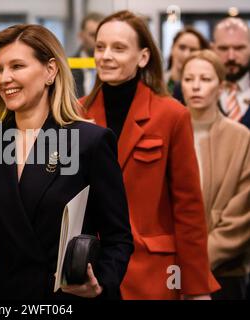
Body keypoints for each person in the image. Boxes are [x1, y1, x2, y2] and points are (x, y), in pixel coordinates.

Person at [0, 24, 134, 300]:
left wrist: (101, 282)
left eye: (17, 66)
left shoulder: (90, 141)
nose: (4, 78)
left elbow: (118, 238)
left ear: (50, 71)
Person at [81, 10, 220, 300]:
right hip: (88, 270)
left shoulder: (172, 115)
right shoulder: (76, 114)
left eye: (118, 48)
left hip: (151, 272)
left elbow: (188, 207)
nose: (105, 56)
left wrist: (195, 288)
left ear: (143, 57)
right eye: (100, 46)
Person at [181, 49, 250, 300]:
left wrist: (197, 260)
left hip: (225, 270)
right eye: (188, 79)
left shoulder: (241, 137)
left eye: (205, 79)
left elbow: (242, 212)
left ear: (221, 87)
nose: (196, 87)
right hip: (171, 266)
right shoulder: (165, 131)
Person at [212, 17, 250, 129]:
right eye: (223, 48)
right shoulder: (192, 89)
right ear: (213, 48)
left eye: (239, 48)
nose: (231, 57)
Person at [165, 26, 209, 103]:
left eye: (193, 50)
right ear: (172, 48)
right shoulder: (156, 82)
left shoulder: (205, 87)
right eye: (182, 47)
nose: (186, 54)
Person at [72, 12, 104, 98]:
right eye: (93, 35)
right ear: (81, 36)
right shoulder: (68, 66)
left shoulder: (113, 65)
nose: (98, 40)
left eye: (101, 35)